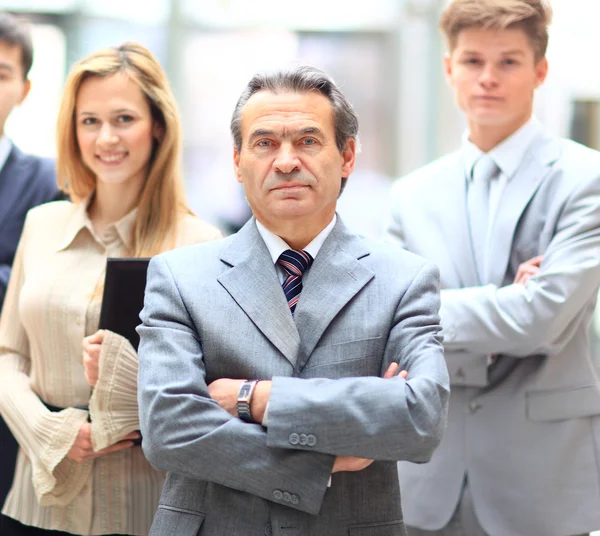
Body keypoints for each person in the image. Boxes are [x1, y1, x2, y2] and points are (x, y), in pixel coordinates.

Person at [136, 65, 450, 536]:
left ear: (346, 157)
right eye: (265, 144)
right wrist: (320, 466)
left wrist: (255, 398)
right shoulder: (179, 277)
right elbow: (169, 430)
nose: (286, 161)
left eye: (307, 141)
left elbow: (418, 419)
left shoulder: (404, 279)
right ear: (238, 162)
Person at [385, 1, 600, 535]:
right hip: (425, 480)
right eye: (473, 60)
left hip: (540, 481)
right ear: (448, 68)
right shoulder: (410, 196)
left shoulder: (584, 180)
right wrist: (507, 299)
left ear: (540, 70)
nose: (488, 78)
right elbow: (385, 324)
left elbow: (541, 320)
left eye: (508, 62)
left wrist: (426, 310)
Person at [0, 42, 222, 535]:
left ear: (157, 124)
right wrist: (46, 431)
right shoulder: (42, 224)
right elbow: (7, 353)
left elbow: (217, 390)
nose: (106, 138)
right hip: (39, 500)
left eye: (123, 118)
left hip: (148, 507)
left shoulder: (201, 244)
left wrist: (132, 376)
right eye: (90, 121)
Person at [0, 13, 63, 514]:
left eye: (0, 73)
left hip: (15, 413)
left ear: (24, 88)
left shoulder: (51, 184)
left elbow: (51, 291)